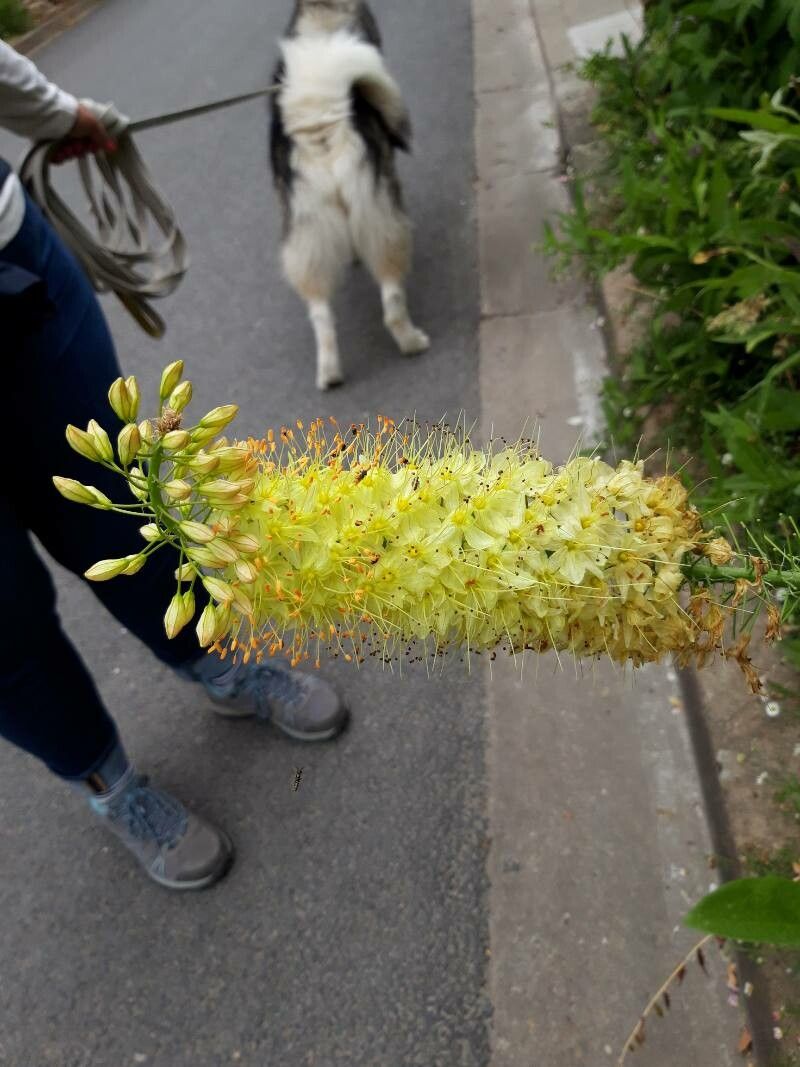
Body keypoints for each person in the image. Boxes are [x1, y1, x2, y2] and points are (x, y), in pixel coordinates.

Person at [0, 41, 347, 891]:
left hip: (13, 274)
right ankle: (108, 782)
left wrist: (55, 116)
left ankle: (217, 660)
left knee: (119, 498)